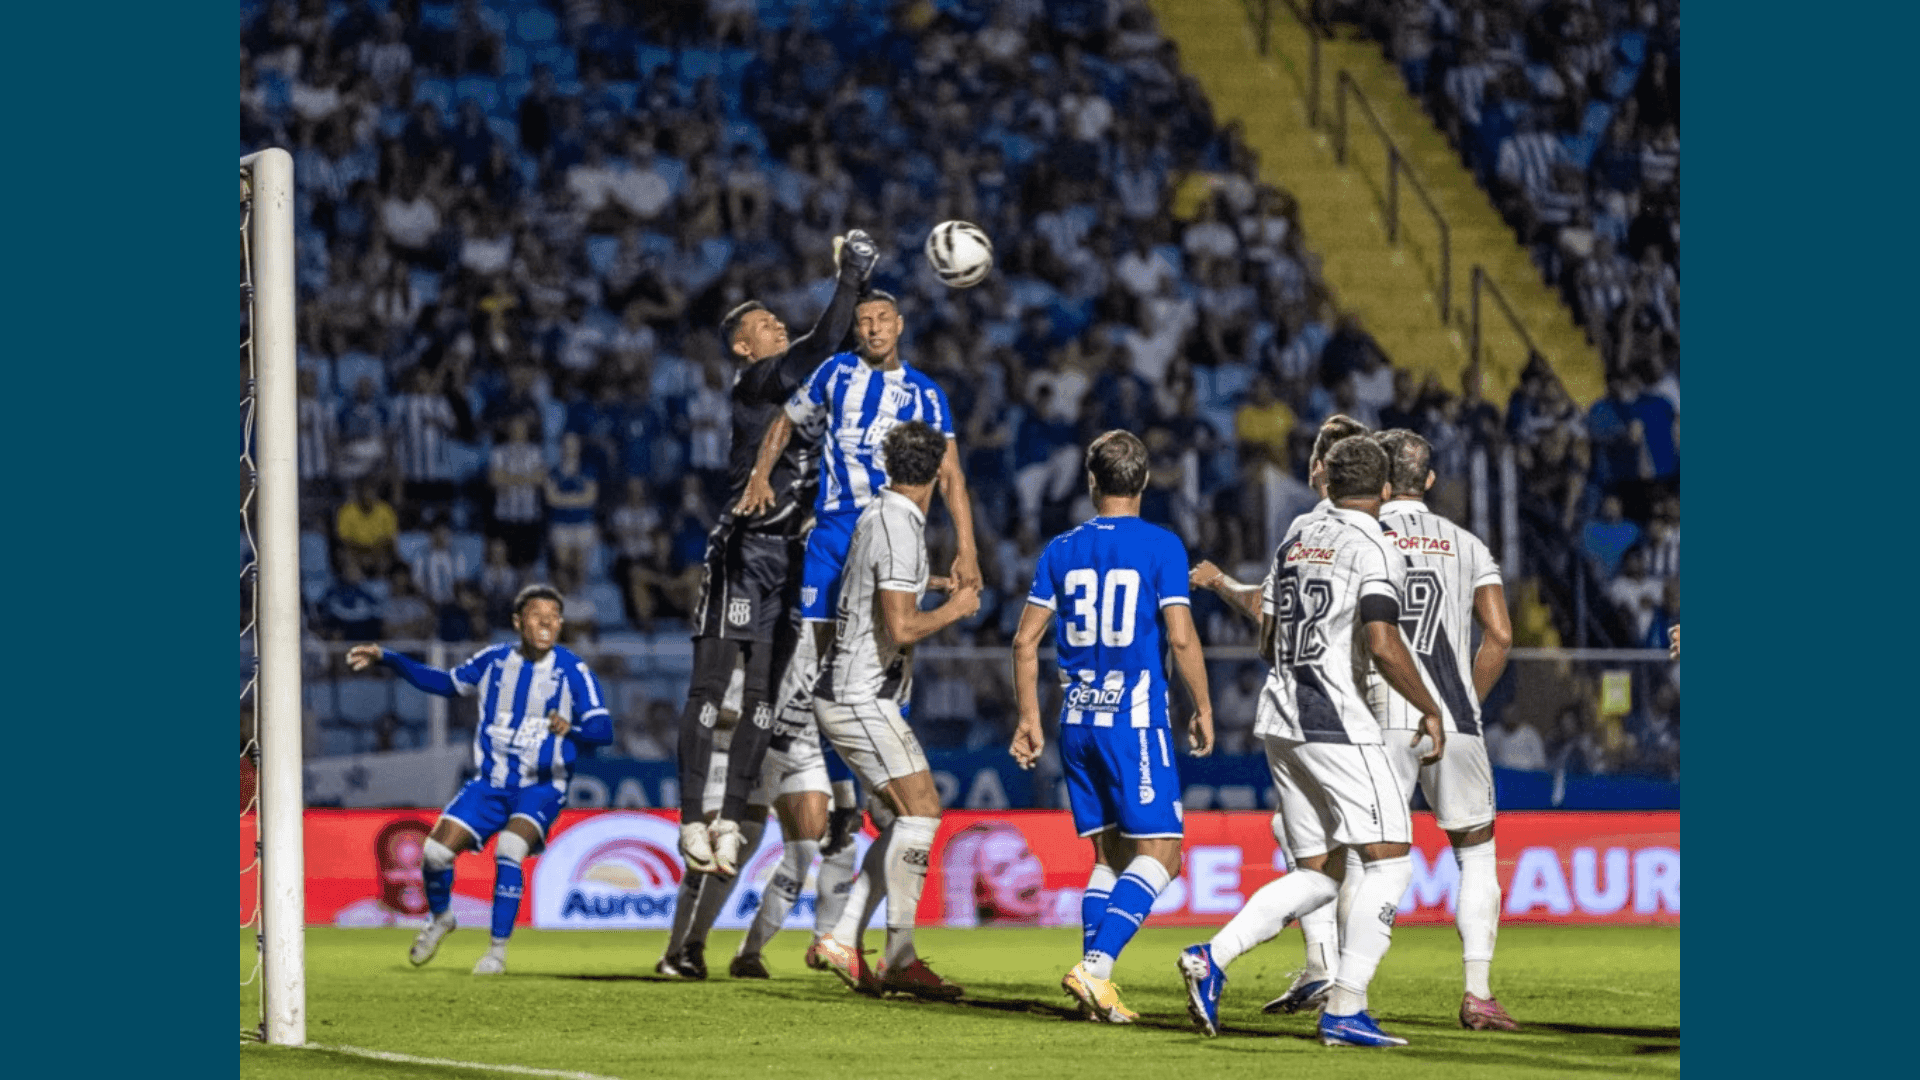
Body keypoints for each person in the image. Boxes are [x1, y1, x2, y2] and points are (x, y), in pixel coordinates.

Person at [1180, 436, 1446, 1047]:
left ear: (1326, 481)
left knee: (1321, 871)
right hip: (1335, 720)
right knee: (1391, 862)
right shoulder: (1373, 544)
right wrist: (1429, 707)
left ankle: (1211, 958)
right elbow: (1382, 640)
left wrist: (1224, 585)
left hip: (1279, 716)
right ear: (1383, 490)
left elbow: (1268, 627)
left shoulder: (1300, 533)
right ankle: (1346, 1006)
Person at [728, 288, 983, 872]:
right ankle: (849, 791)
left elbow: (951, 475)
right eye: (863, 320)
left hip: (895, 528)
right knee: (823, 666)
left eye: (881, 318)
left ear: (899, 323)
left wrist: (966, 550)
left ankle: (880, 776)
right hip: (836, 532)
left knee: (890, 654)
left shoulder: (925, 393)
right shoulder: (835, 373)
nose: (871, 328)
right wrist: (760, 476)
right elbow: (783, 422)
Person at [671, 230, 880, 880]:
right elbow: (821, 345)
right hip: (744, 550)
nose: (777, 324)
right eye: (764, 324)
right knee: (710, 689)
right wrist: (848, 275)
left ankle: (730, 823)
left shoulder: (805, 391)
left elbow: (843, 346)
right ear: (743, 346)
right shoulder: (756, 382)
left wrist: (860, 285)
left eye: (774, 319)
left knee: (763, 698)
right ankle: (689, 822)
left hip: (792, 558)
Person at [1007, 430, 1215, 1024]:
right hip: (1135, 721)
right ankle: (1095, 968)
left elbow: (1025, 641)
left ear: (1092, 482)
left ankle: (1096, 984)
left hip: (1076, 721)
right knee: (1163, 855)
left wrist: (1028, 719)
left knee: (1109, 858)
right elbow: (1178, 634)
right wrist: (1201, 705)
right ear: (1145, 481)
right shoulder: (1162, 546)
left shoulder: (1061, 548)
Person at [345, 585, 612, 975]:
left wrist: (570, 730)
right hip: (490, 784)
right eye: (538, 615)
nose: (547, 622)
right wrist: (389, 658)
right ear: (518, 622)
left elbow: (603, 730)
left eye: (554, 616)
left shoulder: (573, 670)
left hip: (541, 787)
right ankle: (441, 918)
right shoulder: (493, 661)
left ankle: (497, 952)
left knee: (509, 847)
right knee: (435, 854)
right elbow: (442, 683)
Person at [808, 421, 981, 999]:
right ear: (937, 474)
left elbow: (879, 589)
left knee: (899, 821)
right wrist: (956, 607)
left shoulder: (879, 514)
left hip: (851, 692)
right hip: (861, 697)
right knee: (924, 811)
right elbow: (902, 624)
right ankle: (899, 955)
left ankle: (840, 936)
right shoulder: (901, 528)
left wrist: (932, 582)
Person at [1366, 429, 1520, 1031]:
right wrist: (1465, 705)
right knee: (1476, 854)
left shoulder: (1365, 536)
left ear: (1381, 481)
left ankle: (1347, 990)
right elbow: (1501, 635)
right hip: (1454, 716)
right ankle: (1477, 992)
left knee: (1370, 858)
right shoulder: (1467, 543)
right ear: (1429, 481)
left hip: (1381, 713)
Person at [332, 817, 491, 928]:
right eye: (396, 868)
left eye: (420, 866)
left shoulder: (478, 917)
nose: (410, 879)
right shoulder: (355, 920)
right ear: (382, 870)